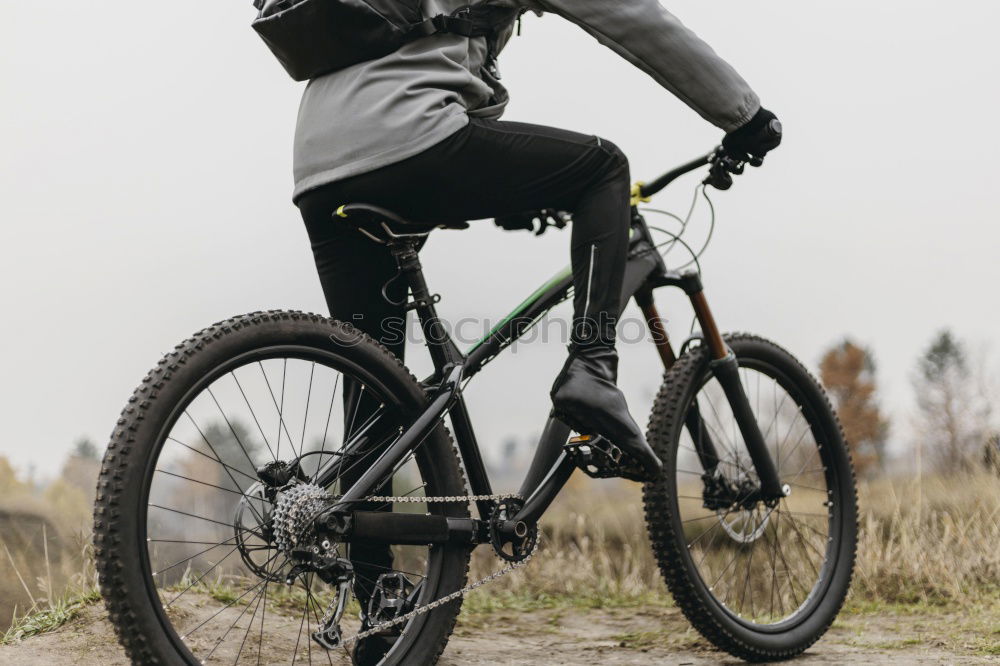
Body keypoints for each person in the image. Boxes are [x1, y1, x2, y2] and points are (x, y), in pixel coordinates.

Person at [290, 1, 780, 660]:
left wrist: (514, 190)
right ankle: (592, 369)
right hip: (410, 135)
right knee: (603, 170)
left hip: (321, 161)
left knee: (375, 391)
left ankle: (383, 614)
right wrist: (744, 114)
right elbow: (631, 17)